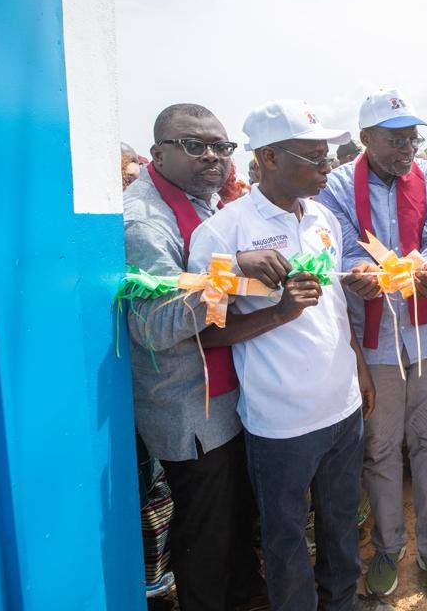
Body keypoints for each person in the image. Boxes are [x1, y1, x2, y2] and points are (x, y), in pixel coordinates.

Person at [186, 99, 387, 611]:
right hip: (281, 422)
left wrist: (358, 366)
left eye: (329, 156)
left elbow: (334, 304)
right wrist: (277, 314)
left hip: (341, 406)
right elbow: (204, 335)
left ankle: (340, 602)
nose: (328, 167)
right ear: (269, 158)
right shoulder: (223, 234)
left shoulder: (321, 216)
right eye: (313, 157)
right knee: (285, 537)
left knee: (342, 521)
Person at [318, 89, 427, 603]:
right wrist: (361, 270)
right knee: (379, 448)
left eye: (414, 137)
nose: (409, 147)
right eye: (396, 138)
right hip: (374, 341)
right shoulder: (336, 184)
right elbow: (339, 244)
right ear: (365, 139)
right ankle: (387, 546)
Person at [122, 103, 265, 611]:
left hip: (224, 396)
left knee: (235, 518)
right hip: (191, 410)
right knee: (205, 535)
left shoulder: (201, 202)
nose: (212, 157)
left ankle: (248, 595)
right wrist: (229, 271)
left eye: (221, 147)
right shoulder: (144, 220)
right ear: (158, 152)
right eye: (194, 145)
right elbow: (156, 327)